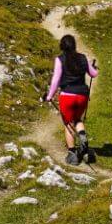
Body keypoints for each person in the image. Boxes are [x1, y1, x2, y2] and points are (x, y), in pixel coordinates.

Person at [44, 33, 98, 165]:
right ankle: (83, 138)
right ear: (74, 45)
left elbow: (56, 79)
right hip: (82, 95)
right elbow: (94, 74)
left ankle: (73, 154)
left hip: (67, 95)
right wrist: (94, 68)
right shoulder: (83, 58)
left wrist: (49, 96)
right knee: (77, 119)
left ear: (62, 46)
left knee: (68, 124)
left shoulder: (60, 59)